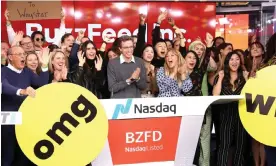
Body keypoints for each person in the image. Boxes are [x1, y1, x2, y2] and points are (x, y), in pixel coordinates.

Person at [1, 46, 49, 166]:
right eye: (19, 54)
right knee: (8, 155)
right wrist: (21, 91)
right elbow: (3, 86)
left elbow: (41, 83)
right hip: (8, 120)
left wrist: (44, 66)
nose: (23, 56)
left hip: (24, 119)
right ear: (10, 57)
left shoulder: (27, 72)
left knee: (24, 155)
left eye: (24, 54)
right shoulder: (3, 71)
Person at [213, 51, 249, 166]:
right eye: (231, 59)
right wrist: (220, 78)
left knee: (241, 146)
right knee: (224, 146)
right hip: (225, 115)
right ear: (227, 62)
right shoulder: (221, 77)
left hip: (241, 116)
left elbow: (251, 95)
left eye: (237, 59)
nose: (234, 62)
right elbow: (215, 95)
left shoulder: (244, 77)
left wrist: (247, 79)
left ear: (240, 61)